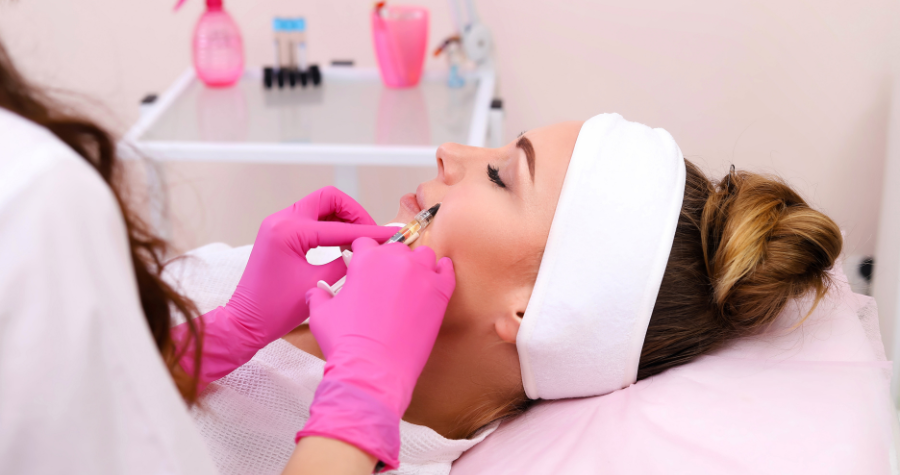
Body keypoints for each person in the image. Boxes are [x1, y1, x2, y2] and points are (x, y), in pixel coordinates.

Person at [174, 113, 889, 474]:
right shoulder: (263, 286)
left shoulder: (403, 450)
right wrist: (218, 334)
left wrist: (361, 395)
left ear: (534, 308)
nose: (450, 153)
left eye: (500, 177)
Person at [0, 35, 454, 475]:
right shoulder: (36, 195)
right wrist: (359, 400)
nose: (448, 151)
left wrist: (230, 332)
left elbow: (63, 391)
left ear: (523, 313)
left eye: (500, 177)